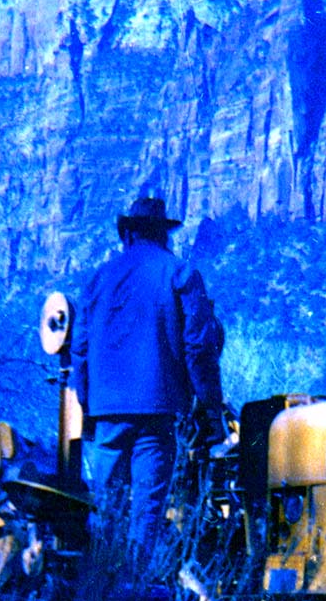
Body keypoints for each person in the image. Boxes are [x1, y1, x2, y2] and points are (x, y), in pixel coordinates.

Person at [71, 194, 224, 565]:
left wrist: (87, 406)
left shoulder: (98, 279)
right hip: (157, 411)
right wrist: (210, 408)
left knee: (106, 506)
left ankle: (100, 584)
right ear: (163, 234)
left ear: (128, 233)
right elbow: (199, 347)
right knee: (147, 510)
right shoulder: (180, 273)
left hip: (108, 412)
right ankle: (133, 587)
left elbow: (80, 349)